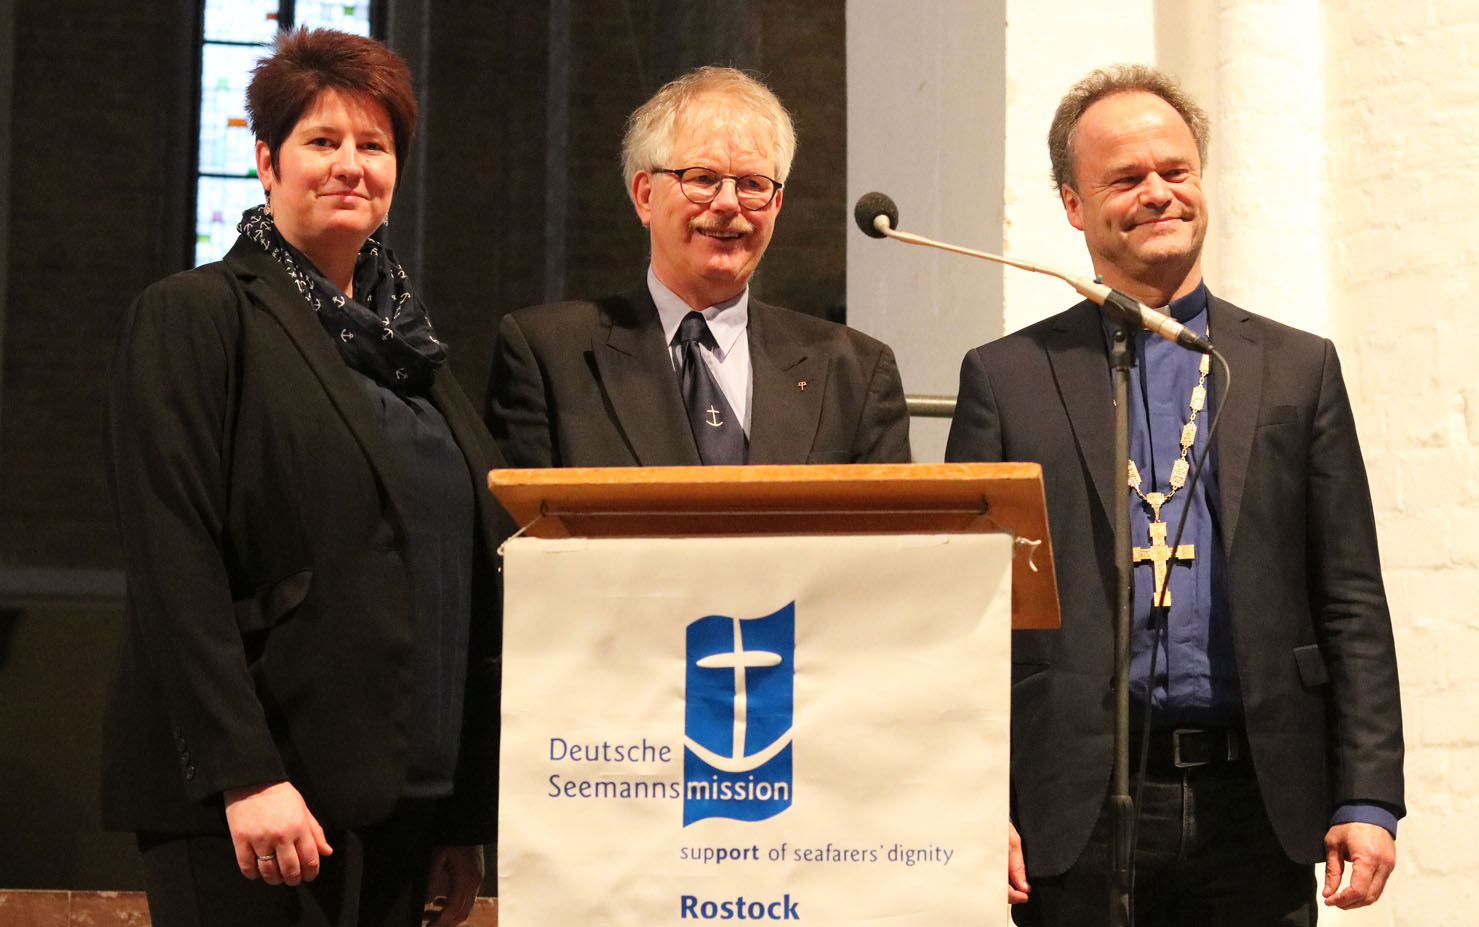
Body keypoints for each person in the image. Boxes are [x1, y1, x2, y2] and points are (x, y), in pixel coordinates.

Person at [945, 64, 1404, 925]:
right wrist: (974, 797)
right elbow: (966, 614)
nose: (1158, 192)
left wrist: (1368, 793)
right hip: (1074, 805)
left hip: (1257, 801)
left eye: (1175, 170)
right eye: (1125, 178)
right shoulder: (1008, 380)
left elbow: (1350, 596)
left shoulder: (1295, 368)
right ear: (1074, 204)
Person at [101, 27, 507, 927]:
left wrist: (459, 815)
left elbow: (461, 580)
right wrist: (244, 772)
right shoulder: (197, 316)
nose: (350, 166)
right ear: (266, 162)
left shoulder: (415, 355)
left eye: (374, 145)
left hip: (405, 801)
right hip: (258, 800)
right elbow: (174, 558)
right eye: (322, 141)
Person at [485, 66, 910, 467]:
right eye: (703, 179)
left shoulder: (855, 371)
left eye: (752, 184)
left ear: (776, 204)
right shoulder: (549, 355)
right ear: (645, 196)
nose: (728, 203)